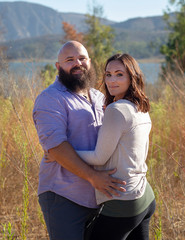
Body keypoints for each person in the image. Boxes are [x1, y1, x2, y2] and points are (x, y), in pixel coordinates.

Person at [32, 41, 126, 240]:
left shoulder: (99, 97)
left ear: (90, 62)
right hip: (63, 195)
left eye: (82, 58)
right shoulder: (50, 99)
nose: (78, 63)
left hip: (99, 195)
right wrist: (93, 177)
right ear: (58, 67)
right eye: (69, 60)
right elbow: (56, 147)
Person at [76, 53, 156, 240]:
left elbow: (98, 158)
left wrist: (62, 152)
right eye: (108, 74)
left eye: (119, 74)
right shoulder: (140, 107)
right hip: (145, 196)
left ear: (132, 77)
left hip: (123, 201)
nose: (112, 80)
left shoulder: (117, 110)